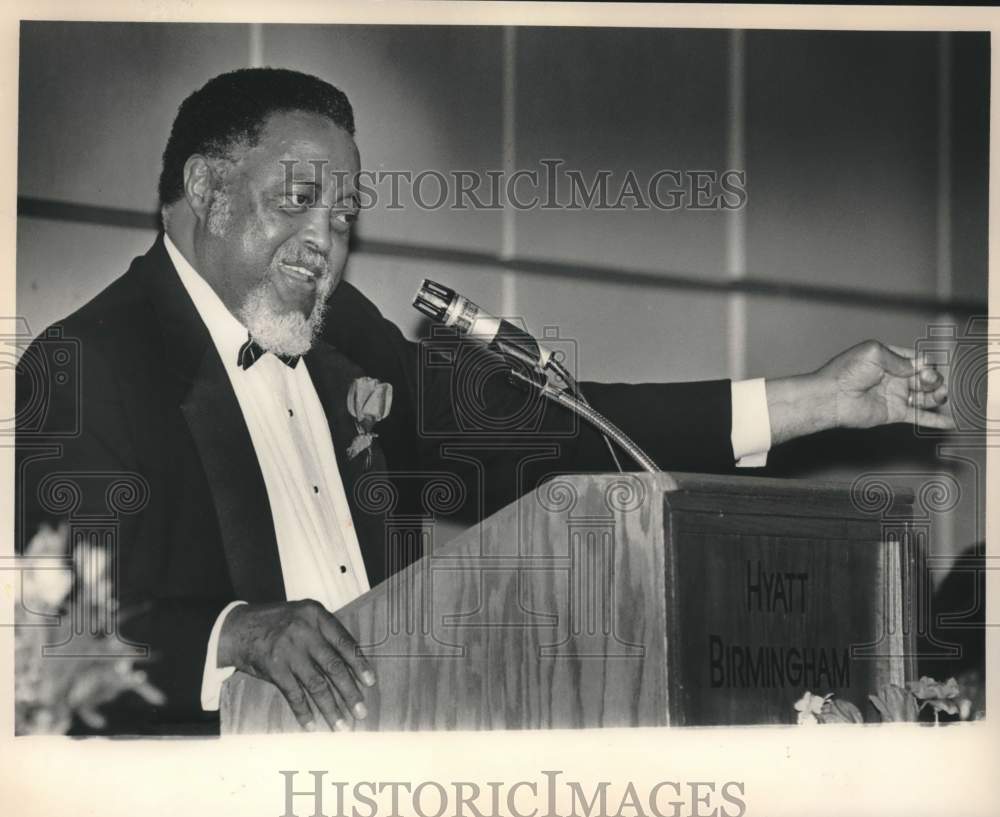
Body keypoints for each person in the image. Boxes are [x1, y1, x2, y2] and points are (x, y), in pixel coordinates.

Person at [15, 68, 952, 736]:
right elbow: (61, 643)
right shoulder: (90, 363)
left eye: (343, 214)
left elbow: (551, 437)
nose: (326, 239)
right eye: (298, 198)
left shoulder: (343, 335)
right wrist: (239, 631)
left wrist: (814, 400)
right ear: (208, 190)